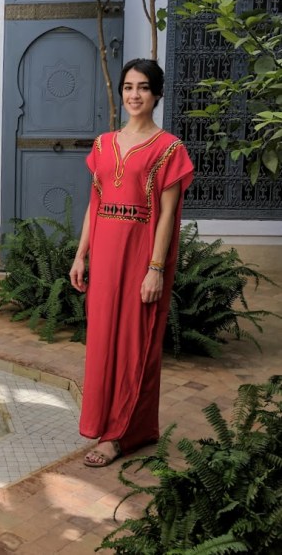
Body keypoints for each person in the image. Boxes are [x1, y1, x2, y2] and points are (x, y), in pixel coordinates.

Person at [69, 59, 194, 467]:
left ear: (157, 94)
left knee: (135, 344)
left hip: (141, 257)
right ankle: (107, 422)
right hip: (105, 256)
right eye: (128, 87)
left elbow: (168, 215)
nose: (134, 95)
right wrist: (81, 254)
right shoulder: (103, 144)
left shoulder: (169, 148)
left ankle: (121, 434)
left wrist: (156, 269)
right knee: (103, 342)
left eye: (142, 87)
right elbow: (95, 204)